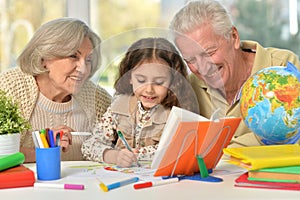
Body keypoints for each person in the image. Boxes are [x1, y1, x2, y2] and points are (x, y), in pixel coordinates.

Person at [169, 0, 300, 147]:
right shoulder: (189, 88)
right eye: (190, 60)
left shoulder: (283, 67)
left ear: (234, 37)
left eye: (209, 53)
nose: (202, 67)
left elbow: (293, 137)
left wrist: (223, 149)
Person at [0, 18, 111, 162]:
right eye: (73, 56)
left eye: (88, 60)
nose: (83, 69)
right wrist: (44, 149)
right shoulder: (8, 88)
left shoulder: (97, 99)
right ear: (44, 58)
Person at [81, 37, 198, 167]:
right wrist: (114, 156)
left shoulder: (177, 114)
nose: (149, 90)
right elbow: (89, 146)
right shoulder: (118, 107)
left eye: (159, 82)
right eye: (141, 80)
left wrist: (137, 155)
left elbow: (177, 150)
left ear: (173, 81)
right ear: (129, 77)